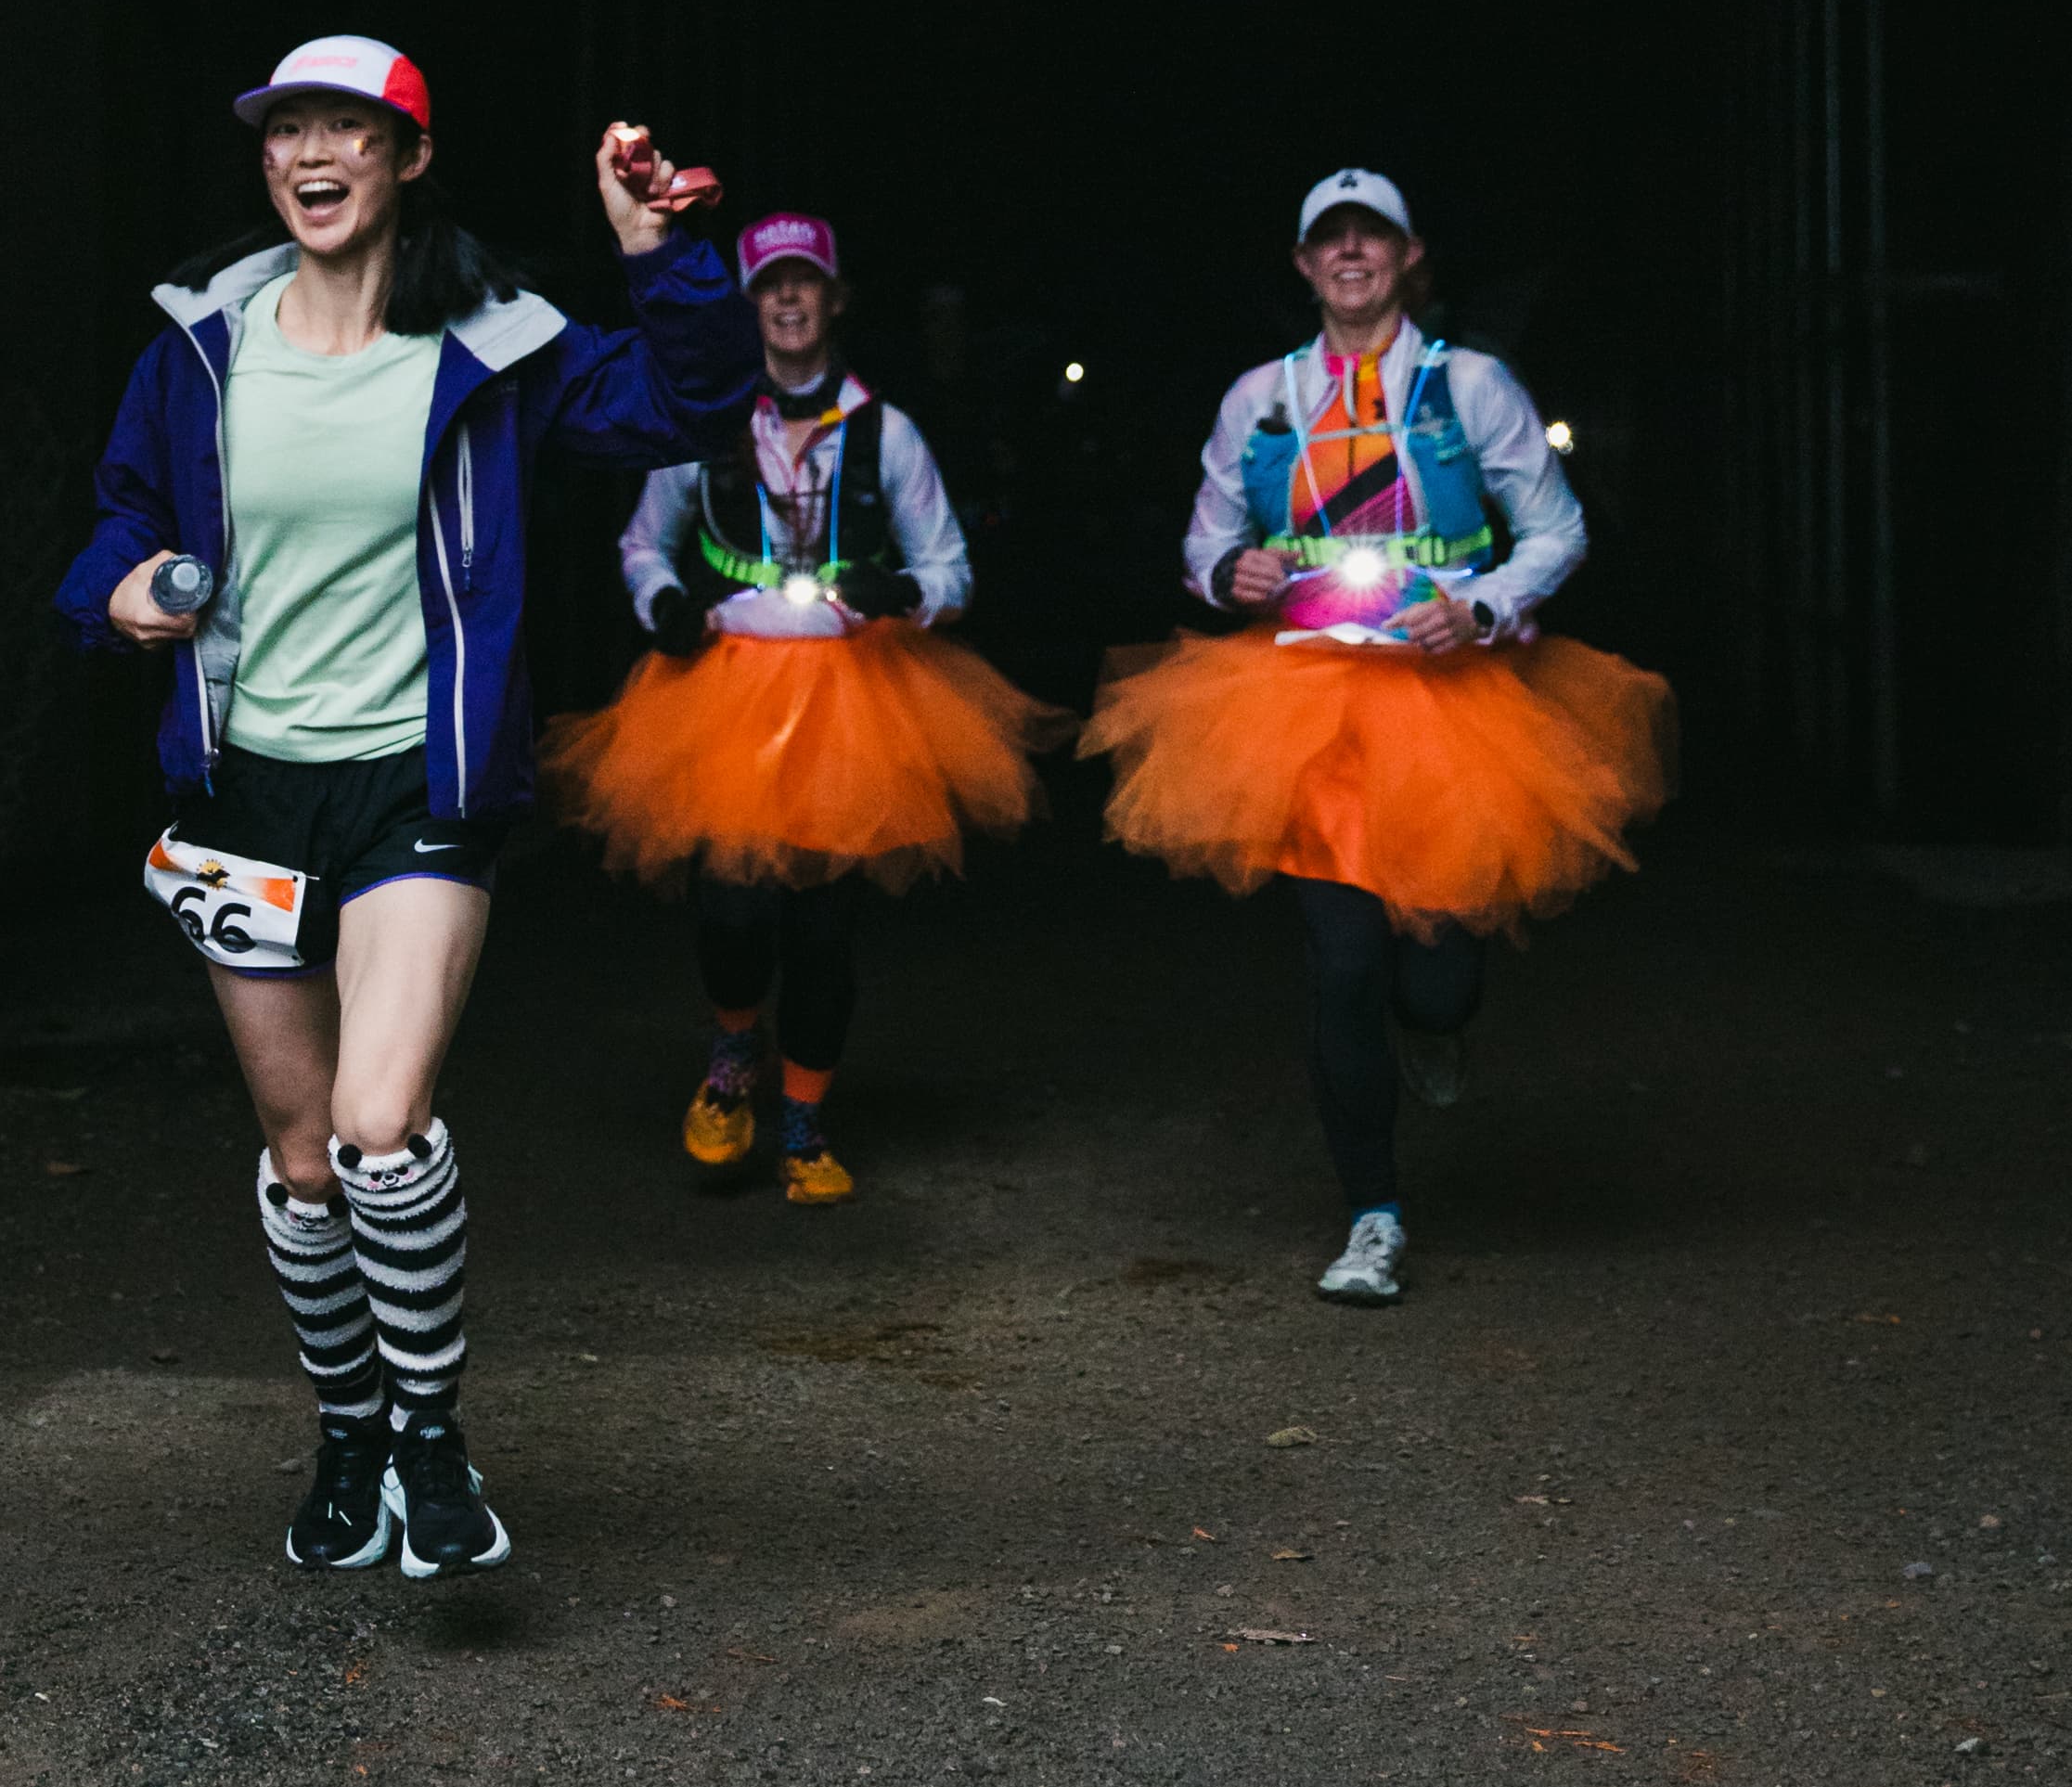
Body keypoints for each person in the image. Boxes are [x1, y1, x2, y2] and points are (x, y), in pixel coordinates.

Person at [54, 33, 761, 1580]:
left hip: (418, 783)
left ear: (407, 157)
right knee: (302, 1158)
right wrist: (110, 593)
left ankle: (430, 1438)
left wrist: (662, 253)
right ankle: (348, 1429)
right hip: (241, 786)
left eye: (344, 130)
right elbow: (120, 509)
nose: (308, 154)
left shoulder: (491, 347)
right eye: (283, 129)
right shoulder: (197, 341)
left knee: (381, 1126)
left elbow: (686, 404)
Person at [1080, 169, 1674, 1305]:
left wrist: (1485, 604)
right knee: (1343, 963)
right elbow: (1207, 538)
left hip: (1455, 703)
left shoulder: (1471, 386)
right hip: (1300, 707)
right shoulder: (1262, 394)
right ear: (1303, 266)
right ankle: (1372, 1214)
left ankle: (1438, 1022)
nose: (1350, 254)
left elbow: (1555, 525)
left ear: (1409, 259)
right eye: (1328, 240)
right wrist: (1225, 571)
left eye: (1373, 238)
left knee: (1436, 980)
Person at [538, 210, 1064, 1199]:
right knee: (731, 906)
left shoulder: (884, 430)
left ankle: (807, 1119)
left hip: (851, 690)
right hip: (723, 684)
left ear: (834, 298)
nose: (786, 299)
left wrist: (905, 595)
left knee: (823, 923)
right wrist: (659, 602)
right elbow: (644, 542)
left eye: (803, 281)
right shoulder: (703, 419)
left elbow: (950, 565)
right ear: (747, 307)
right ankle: (733, 1052)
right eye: (768, 284)